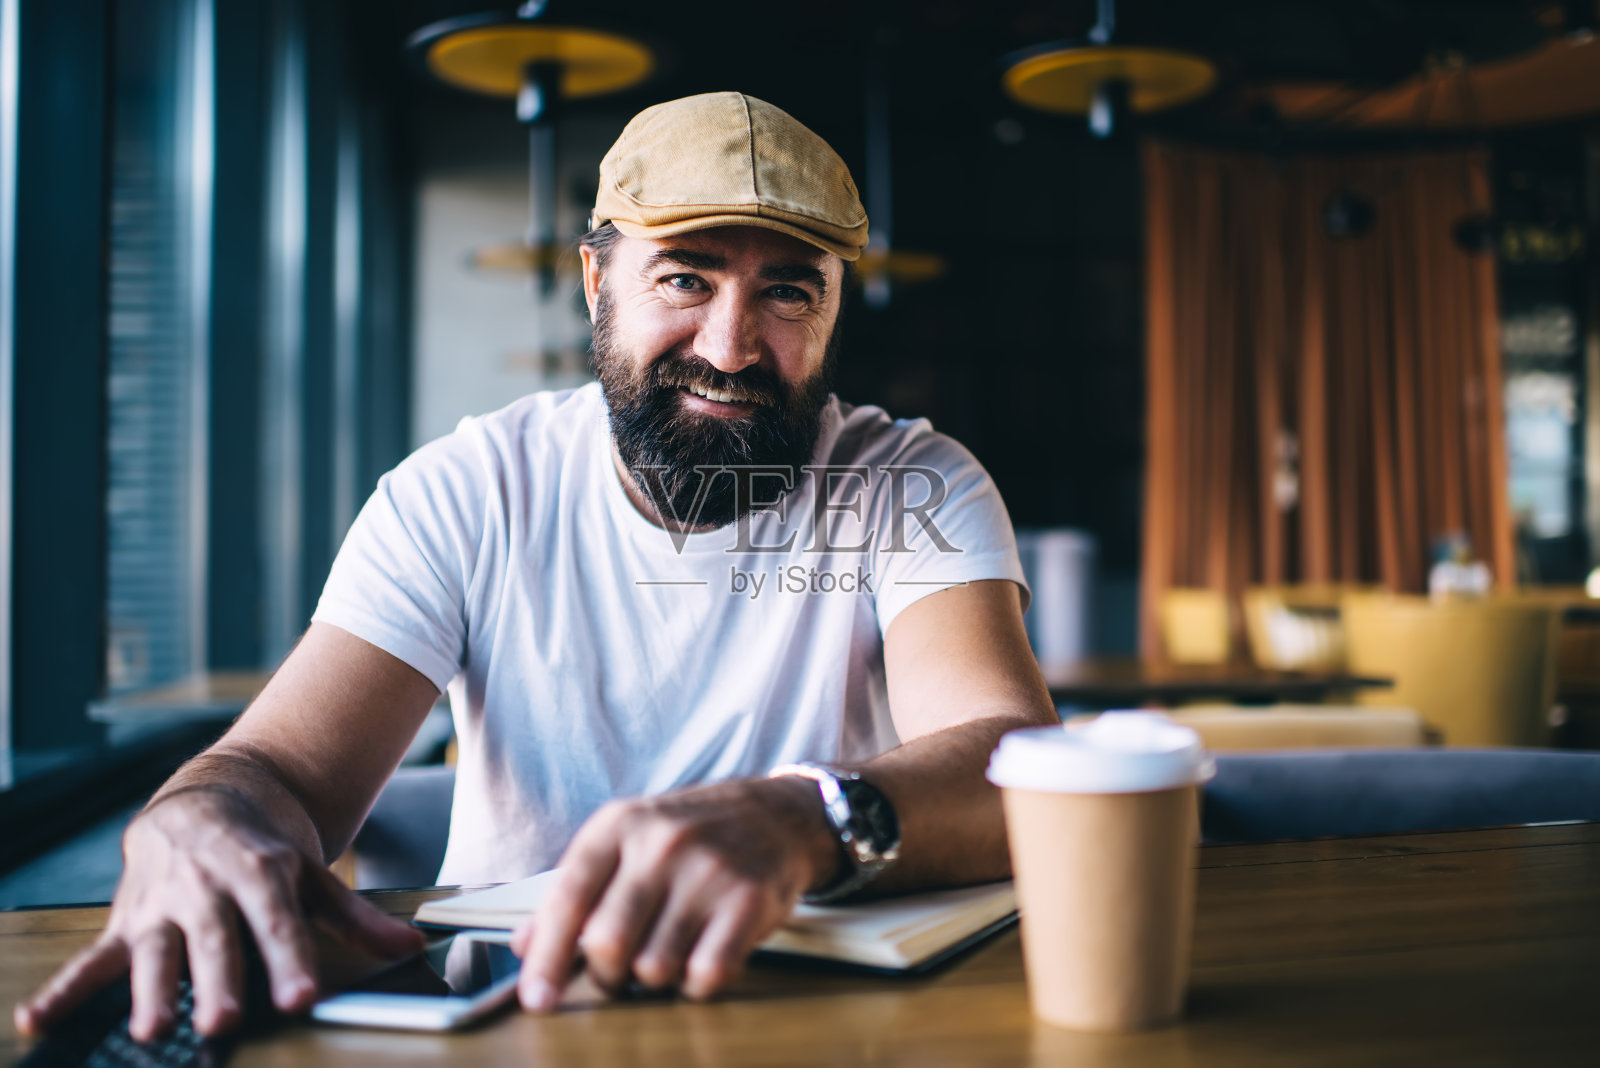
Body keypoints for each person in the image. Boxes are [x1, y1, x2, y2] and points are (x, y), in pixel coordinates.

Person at [16, 92, 1056, 1042]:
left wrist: (804, 817)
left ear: (832, 310)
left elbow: (1011, 762)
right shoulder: (465, 491)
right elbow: (279, 773)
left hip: (820, 1026)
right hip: (509, 1024)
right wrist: (200, 815)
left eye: (787, 292)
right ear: (597, 280)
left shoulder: (913, 482)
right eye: (684, 278)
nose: (731, 347)